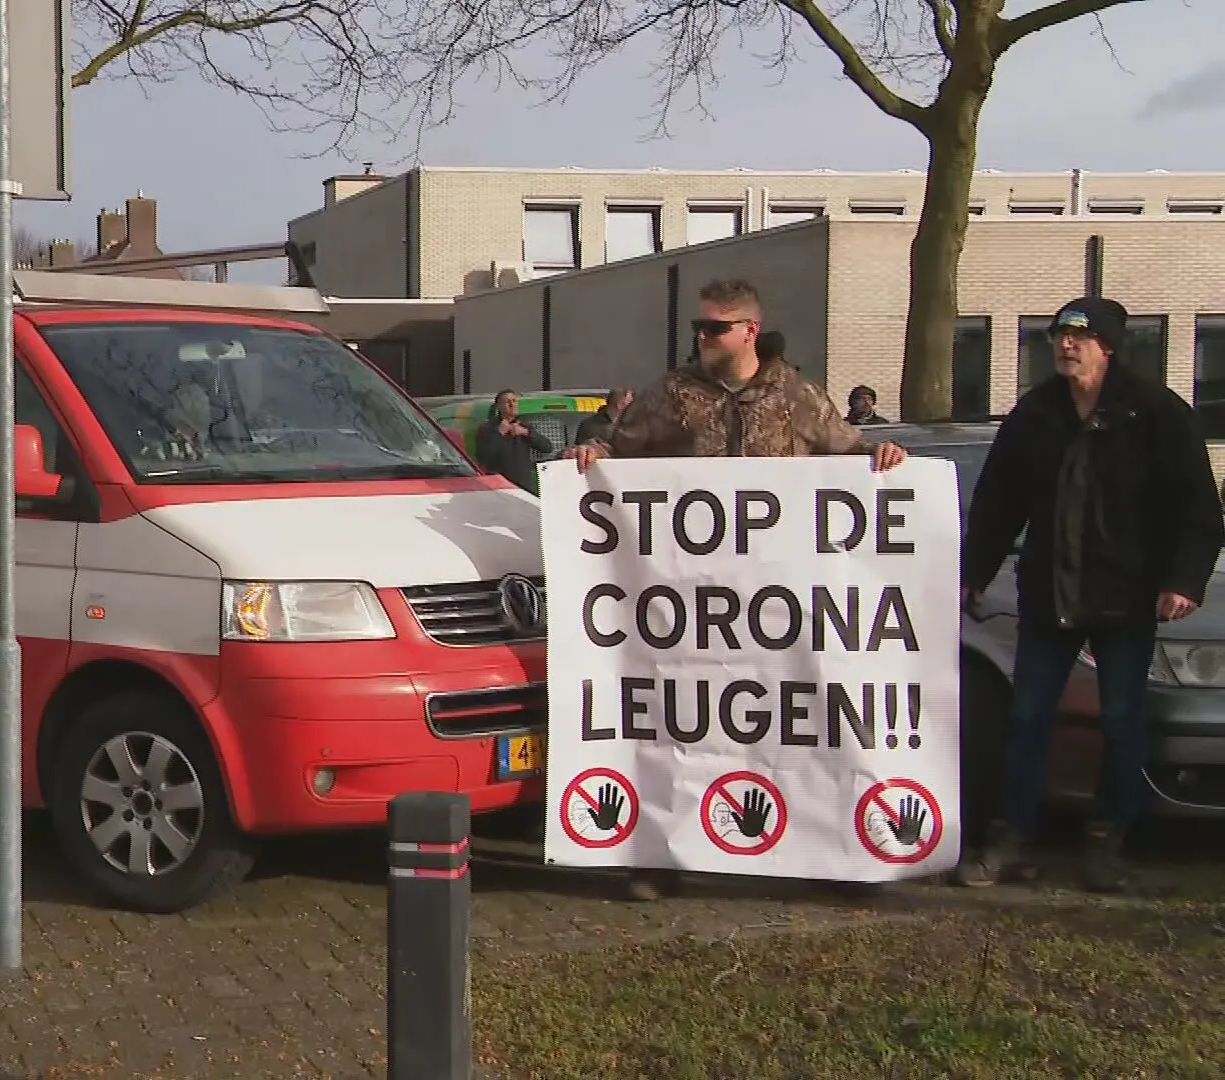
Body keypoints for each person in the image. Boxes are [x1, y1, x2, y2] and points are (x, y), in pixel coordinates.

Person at [570, 277, 909, 901]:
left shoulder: (796, 395)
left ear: (749, 330)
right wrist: (590, 452)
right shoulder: (671, 395)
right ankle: (658, 856)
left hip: (780, 605)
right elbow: (618, 451)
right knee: (680, 723)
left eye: (715, 327)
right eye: (698, 327)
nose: (702, 337)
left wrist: (882, 457)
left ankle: (831, 852)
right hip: (695, 604)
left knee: (801, 723)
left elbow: (848, 453)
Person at [956, 296, 1223, 893]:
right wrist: (974, 570)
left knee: (1123, 721)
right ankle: (1012, 837)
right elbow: (1000, 502)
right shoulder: (1036, 415)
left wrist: (1183, 580)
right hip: (1051, 592)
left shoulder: (1155, 413)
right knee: (1027, 719)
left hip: (1125, 596)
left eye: (1078, 337)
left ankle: (1107, 842)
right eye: (1059, 336)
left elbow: (1198, 509)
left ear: (1107, 345)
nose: (1066, 346)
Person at [473, 389, 552, 493]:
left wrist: (526, 433)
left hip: (524, 487)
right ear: (498, 406)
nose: (512, 404)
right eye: (507, 402)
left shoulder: (524, 425)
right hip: (500, 486)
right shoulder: (487, 428)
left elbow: (547, 447)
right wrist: (499, 433)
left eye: (514, 401)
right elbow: (484, 458)